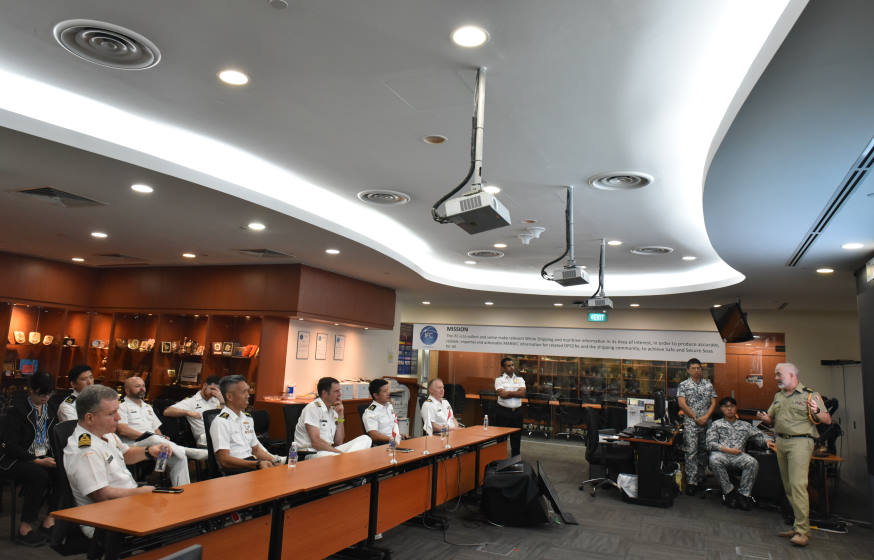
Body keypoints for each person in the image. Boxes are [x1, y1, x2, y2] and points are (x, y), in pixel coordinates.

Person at [63, 385, 164, 537]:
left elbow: (126, 454)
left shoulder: (106, 433)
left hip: (127, 504)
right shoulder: (85, 450)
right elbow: (102, 496)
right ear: (90, 418)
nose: (118, 417)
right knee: (174, 527)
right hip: (106, 519)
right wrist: (140, 493)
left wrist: (149, 452)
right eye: (111, 413)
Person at [756, 363, 830, 548]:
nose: (776, 378)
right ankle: (798, 526)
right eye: (775, 375)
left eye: (779, 374)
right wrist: (765, 418)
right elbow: (771, 418)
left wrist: (817, 411)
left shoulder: (809, 395)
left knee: (798, 485)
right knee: (789, 487)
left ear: (791, 374)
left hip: (801, 442)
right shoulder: (778, 396)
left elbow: (827, 420)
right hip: (781, 442)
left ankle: (803, 532)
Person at [0, 372, 59, 546]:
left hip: (43, 455)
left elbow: (53, 437)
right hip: (15, 458)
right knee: (38, 475)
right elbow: (7, 445)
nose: (46, 398)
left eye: (49, 394)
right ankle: (24, 528)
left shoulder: (52, 408)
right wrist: (35, 460)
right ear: (31, 390)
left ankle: (50, 519)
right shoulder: (17, 411)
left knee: (64, 470)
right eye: (41, 394)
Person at [116, 377, 206, 485]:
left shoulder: (147, 407)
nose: (142, 389)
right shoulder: (121, 407)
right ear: (127, 390)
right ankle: (186, 450)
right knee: (155, 438)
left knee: (179, 457)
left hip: (156, 444)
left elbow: (156, 429)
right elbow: (123, 431)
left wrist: (161, 437)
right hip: (134, 445)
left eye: (143, 386)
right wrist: (149, 436)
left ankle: (183, 489)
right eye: (137, 386)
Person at [210, 375, 283, 472]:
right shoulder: (221, 422)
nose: (248, 395)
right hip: (235, 470)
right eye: (244, 392)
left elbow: (256, 450)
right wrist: (257, 464)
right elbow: (225, 460)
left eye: (248, 391)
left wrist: (277, 460)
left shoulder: (247, 418)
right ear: (229, 396)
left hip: (251, 464)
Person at [706, 396, 767, 510]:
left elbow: (761, 437)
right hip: (721, 454)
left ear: (736, 408)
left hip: (739, 456)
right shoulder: (716, 424)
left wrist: (770, 442)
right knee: (714, 460)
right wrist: (728, 450)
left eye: (732, 406)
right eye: (726, 406)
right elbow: (710, 444)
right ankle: (729, 492)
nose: (729, 409)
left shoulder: (745, 425)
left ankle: (743, 495)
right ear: (721, 409)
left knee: (752, 462)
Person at [293, 377, 371, 458]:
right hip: (312, 453)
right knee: (333, 457)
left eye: (339, 391)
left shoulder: (333, 409)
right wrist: (339, 453)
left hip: (329, 451)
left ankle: (346, 459)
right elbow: (316, 443)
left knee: (365, 439)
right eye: (336, 391)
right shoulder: (313, 408)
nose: (340, 394)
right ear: (324, 393)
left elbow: (339, 442)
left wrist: (340, 415)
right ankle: (347, 459)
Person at [677, 357, 717, 495]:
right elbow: (682, 403)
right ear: (688, 370)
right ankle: (692, 482)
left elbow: (713, 403)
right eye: (693, 368)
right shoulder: (683, 385)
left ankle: (701, 478)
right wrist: (695, 417)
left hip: (706, 423)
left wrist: (706, 417)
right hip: (691, 424)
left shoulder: (708, 385)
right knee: (691, 452)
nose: (697, 370)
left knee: (703, 451)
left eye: (699, 368)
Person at [162, 376, 224, 447]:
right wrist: (188, 412)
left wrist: (222, 401)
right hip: (205, 438)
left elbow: (226, 417)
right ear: (205, 385)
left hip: (219, 434)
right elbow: (167, 411)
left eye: (217, 390)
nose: (213, 393)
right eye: (212, 389)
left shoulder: (217, 401)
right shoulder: (191, 401)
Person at [494, 357, 525, 457]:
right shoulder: (499, 380)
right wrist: (516, 391)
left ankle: (515, 462)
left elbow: (522, 393)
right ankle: (500, 461)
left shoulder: (520, 379)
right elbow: (502, 395)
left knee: (516, 440)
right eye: (508, 366)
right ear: (503, 368)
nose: (512, 367)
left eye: (512, 365)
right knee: (501, 440)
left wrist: (508, 392)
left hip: (517, 413)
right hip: (503, 413)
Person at [361, 379, 403, 445]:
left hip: (396, 440)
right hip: (385, 444)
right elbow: (374, 435)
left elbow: (391, 427)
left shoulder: (389, 406)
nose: (388, 393)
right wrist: (392, 438)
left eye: (388, 390)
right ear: (376, 395)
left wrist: (400, 435)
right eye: (385, 391)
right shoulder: (370, 412)